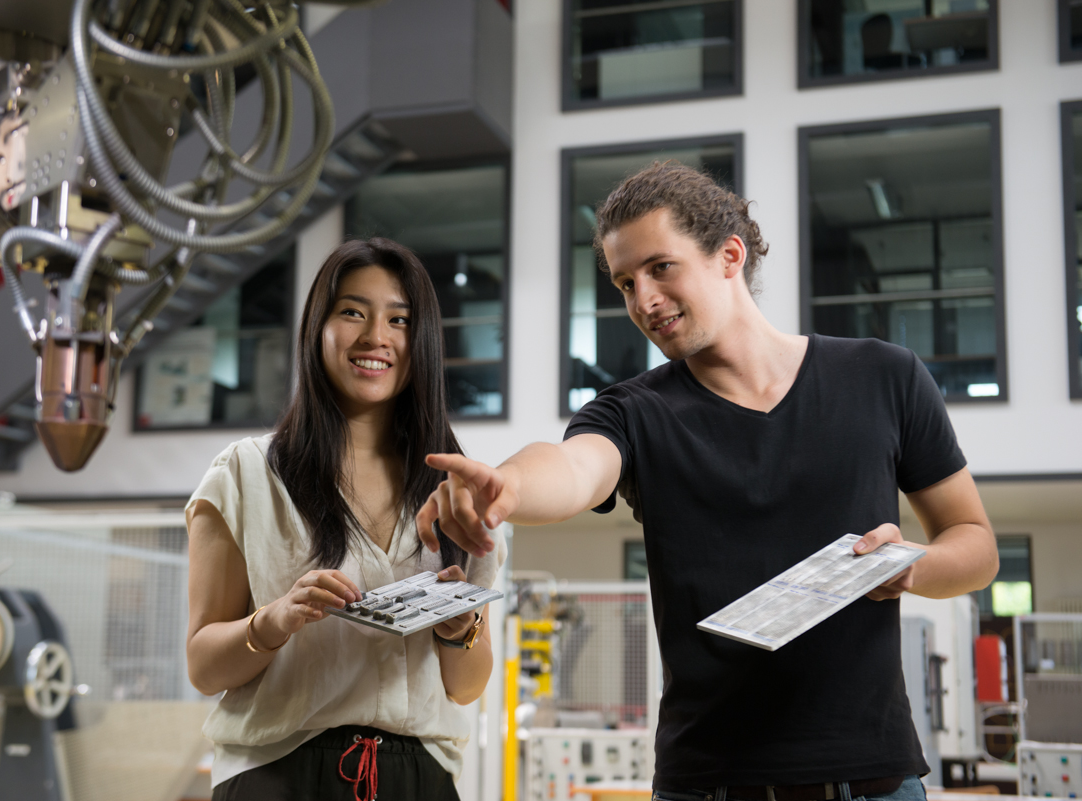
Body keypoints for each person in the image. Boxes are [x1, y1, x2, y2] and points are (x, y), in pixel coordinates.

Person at [416, 163, 998, 801]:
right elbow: (576, 467)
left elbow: (974, 545)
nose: (642, 301)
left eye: (660, 268)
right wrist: (508, 485)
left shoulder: (884, 376)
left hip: (874, 781)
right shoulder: (632, 412)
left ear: (729, 256)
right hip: (710, 786)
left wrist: (910, 566)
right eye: (624, 283)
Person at [186, 238, 505, 801]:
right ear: (319, 328)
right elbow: (205, 669)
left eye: (399, 320)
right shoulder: (247, 473)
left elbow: (467, 687)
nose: (375, 337)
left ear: (423, 339)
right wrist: (274, 620)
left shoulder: (457, 488)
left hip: (420, 781)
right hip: (279, 775)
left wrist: (462, 629)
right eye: (352, 312)